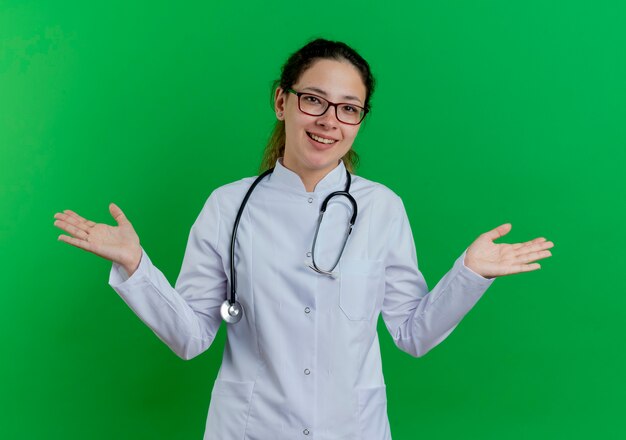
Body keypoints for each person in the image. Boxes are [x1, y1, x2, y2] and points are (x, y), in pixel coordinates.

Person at [53, 38, 554, 440]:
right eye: (314, 99)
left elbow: (413, 334)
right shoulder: (228, 206)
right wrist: (136, 267)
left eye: (348, 108)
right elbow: (190, 338)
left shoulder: (382, 207)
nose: (328, 120)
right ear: (282, 101)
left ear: (360, 119)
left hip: (353, 428)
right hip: (251, 428)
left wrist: (469, 275)